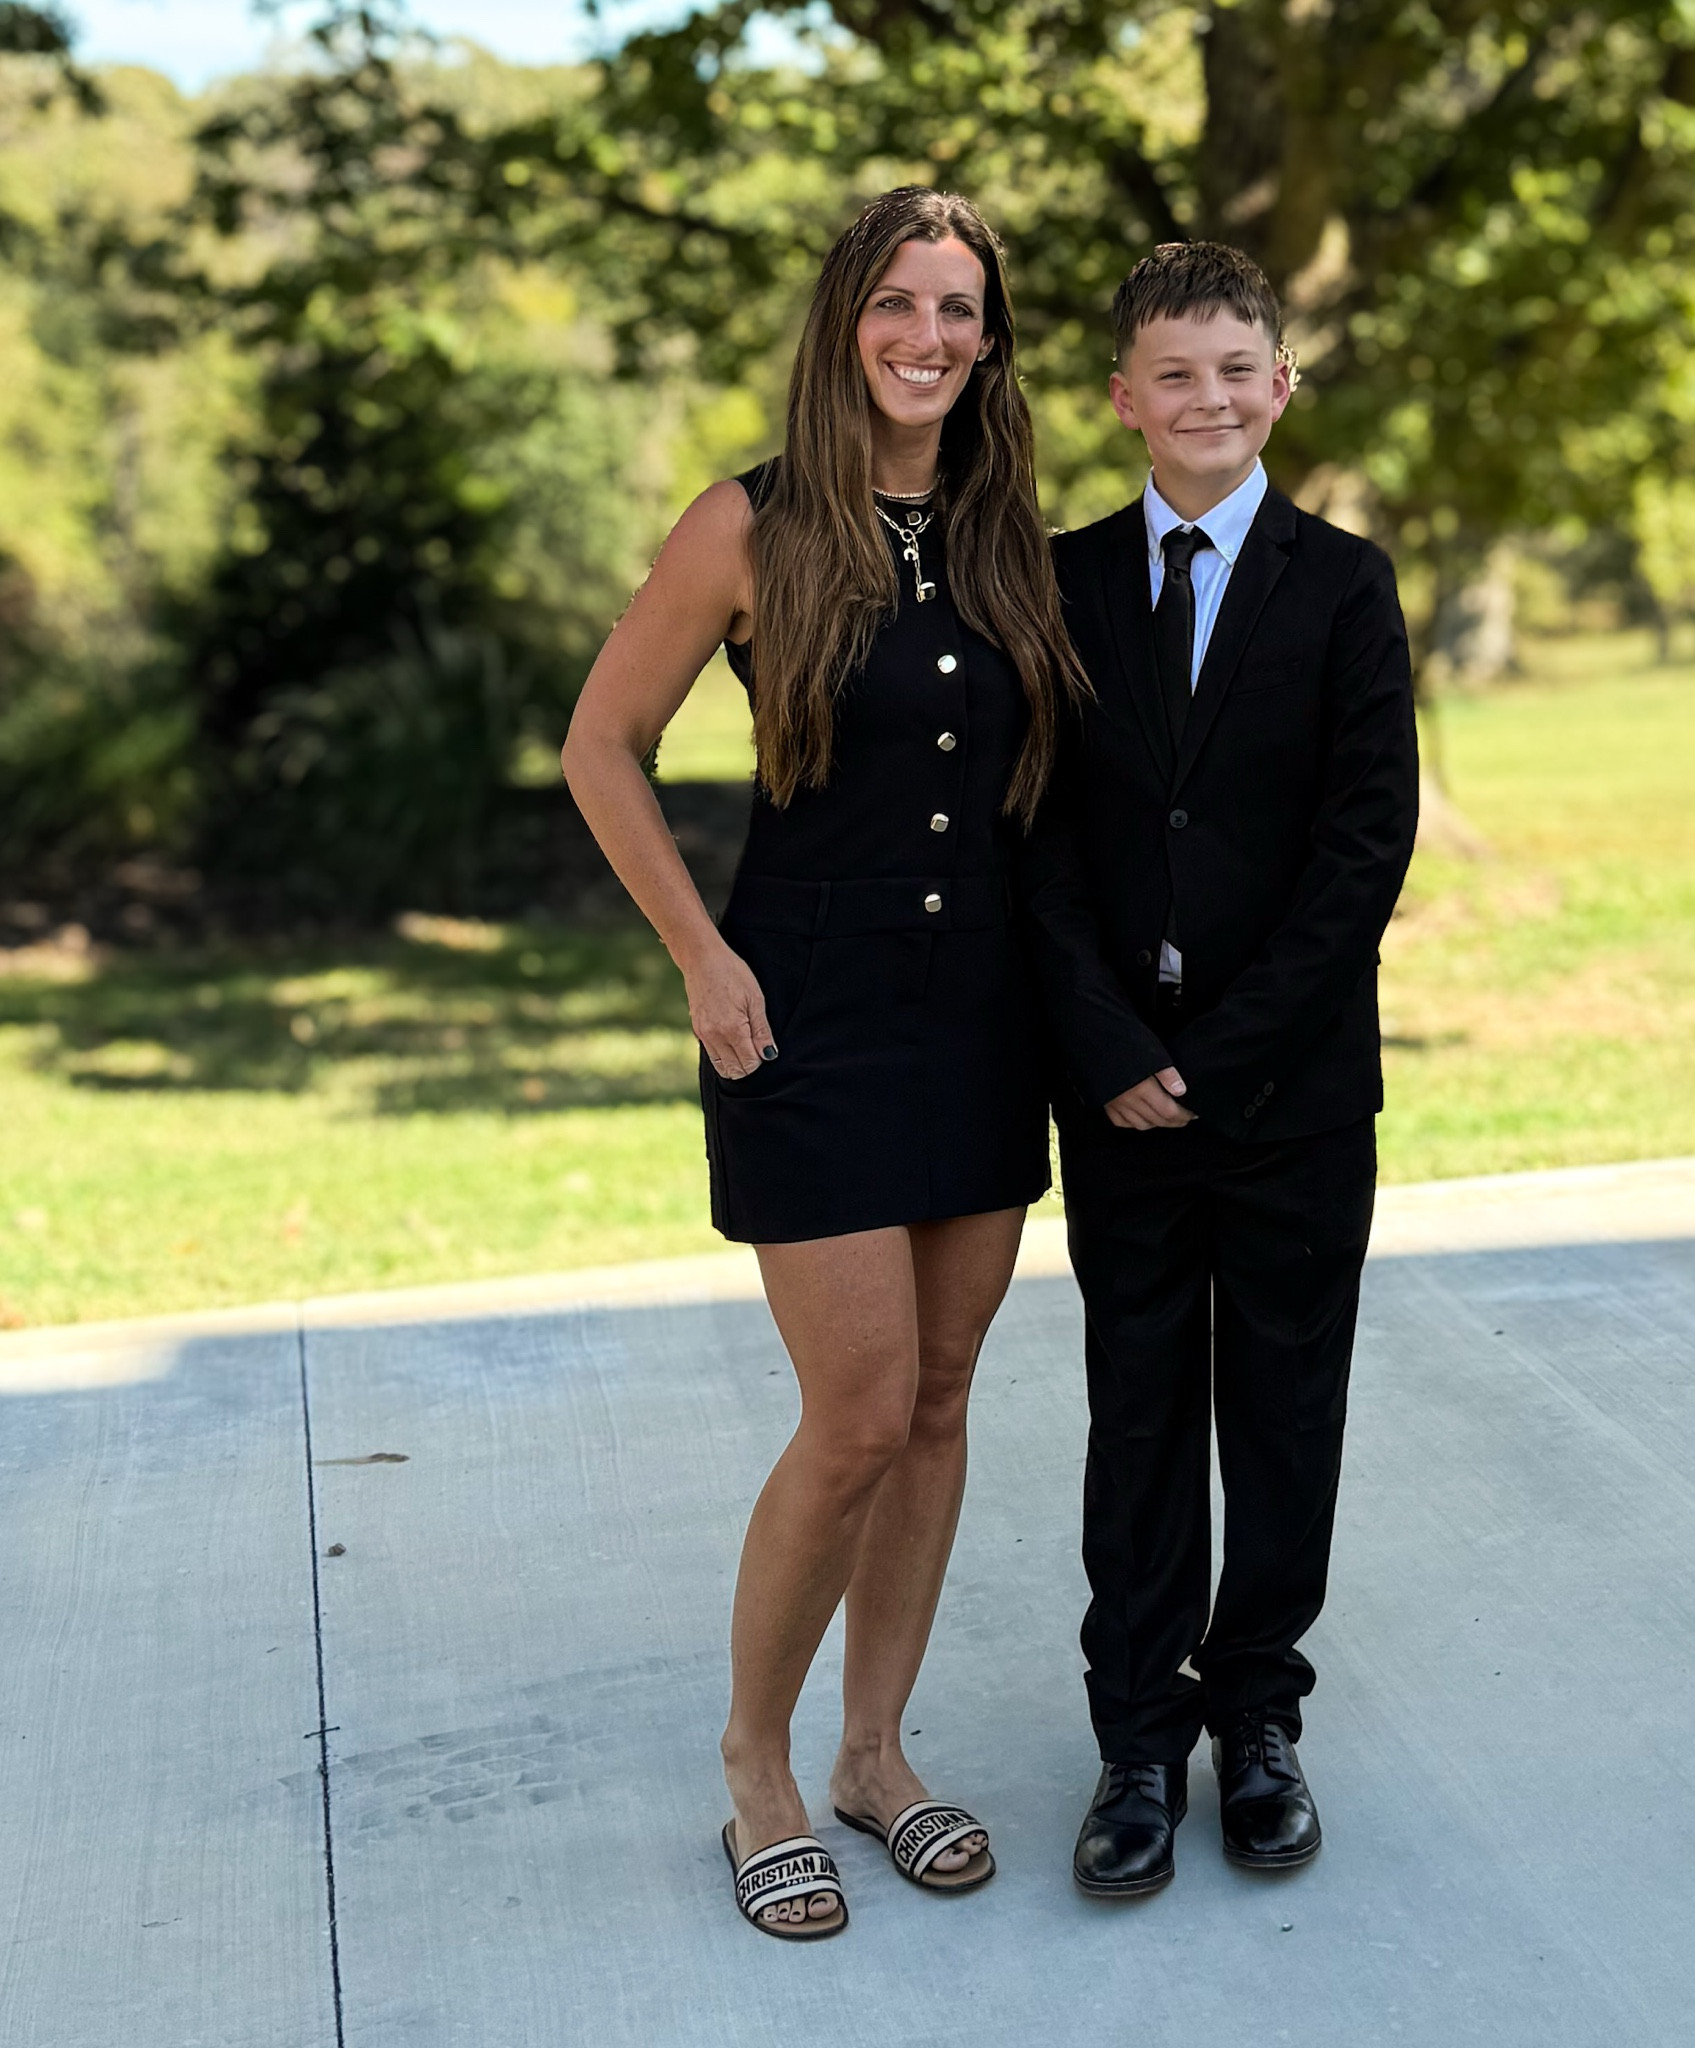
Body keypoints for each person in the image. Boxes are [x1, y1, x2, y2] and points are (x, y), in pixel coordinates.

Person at [562, 186, 1088, 1942]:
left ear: (990, 339)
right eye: (895, 303)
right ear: (842, 321)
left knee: (940, 1404)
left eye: (959, 309)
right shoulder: (751, 522)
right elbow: (601, 745)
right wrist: (701, 959)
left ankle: (876, 1756)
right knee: (854, 1414)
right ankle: (758, 1771)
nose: (926, 336)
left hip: (982, 1022)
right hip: (807, 1022)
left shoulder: (1014, 530)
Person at [1021, 241, 1420, 1896]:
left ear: (1281, 387)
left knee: (1279, 1408)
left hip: (1293, 1096)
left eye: (1236, 370)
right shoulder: (1054, 583)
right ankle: (1134, 1738)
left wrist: (1226, 1057)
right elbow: (1025, 842)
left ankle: (1257, 1722)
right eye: (1172, 374)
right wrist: (1113, 1051)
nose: (1208, 399)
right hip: (1117, 1095)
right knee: (1137, 1415)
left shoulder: (1345, 585)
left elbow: (1363, 846)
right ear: (1122, 397)